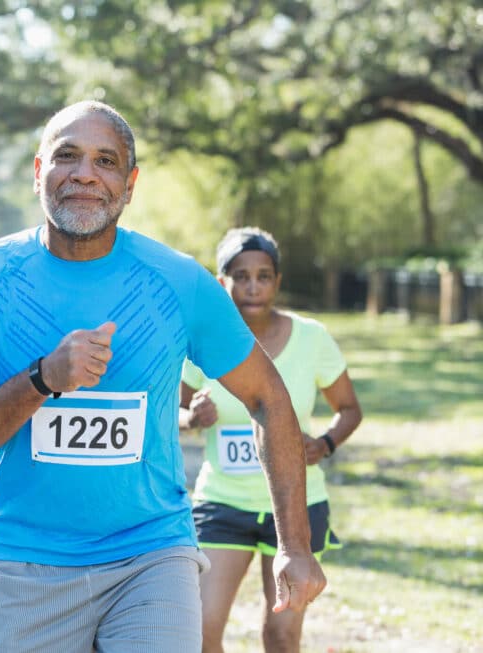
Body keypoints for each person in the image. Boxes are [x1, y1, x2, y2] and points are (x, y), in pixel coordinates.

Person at [0, 101, 327, 652]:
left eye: (105, 161)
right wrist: (41, 380)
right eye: (67, 156)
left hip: (150, 552)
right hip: (24, 562)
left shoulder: (179, 281)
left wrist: (295, 545)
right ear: (39, 171)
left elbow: (268, 399)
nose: (85, 173)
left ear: (129, 184)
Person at [179, 227, 362, 653]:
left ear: (278, 281)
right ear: (221, 281)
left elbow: (349, 409)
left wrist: (327, 444)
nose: (253, 286)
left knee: (280, 635)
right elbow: (172, 410)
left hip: (297, 505)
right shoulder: (204, 340)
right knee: (201, 629)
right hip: (222, 502)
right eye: (240, 276)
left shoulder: (312, 338)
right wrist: (192, 418)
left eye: (264, 276)